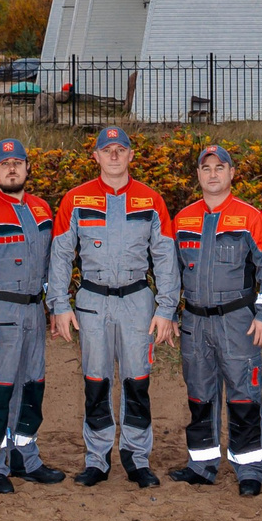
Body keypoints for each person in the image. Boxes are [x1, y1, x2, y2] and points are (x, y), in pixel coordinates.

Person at [47, 125, 177, 488]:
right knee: (95, 381)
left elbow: (165, 257)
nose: (115, 155)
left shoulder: (151, 200)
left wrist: (166, 308)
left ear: (131, 155)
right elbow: (60, 255)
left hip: (137, 301)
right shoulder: (76, 199)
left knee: (137, 381)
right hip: (92, 302)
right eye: (108, 150)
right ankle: (97, 459)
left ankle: (137, 458)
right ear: (97, 156)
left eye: (121, 149)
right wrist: (58, 304)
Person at [167, 145, 262, 495]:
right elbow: (170, 271)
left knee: (243, 394)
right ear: (198, 175)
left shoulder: (250, 217)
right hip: (195, 322)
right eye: (206, 168)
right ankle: (201, 465)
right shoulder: (183, 219)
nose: (213, 174)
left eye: (220, 167)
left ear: (232, 173)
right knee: (199, 395)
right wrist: (170, 313)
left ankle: (249, 469)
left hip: (237, 320)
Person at [0, 137, 67, 493]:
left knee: (33, 387)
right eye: (4, 163)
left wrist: (53, 308)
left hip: (34, 312)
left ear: (27, 167)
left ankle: (24, 457)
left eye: (17, 162)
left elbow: (52, 265)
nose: (11, 168)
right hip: (0, 313)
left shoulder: (41, 210)